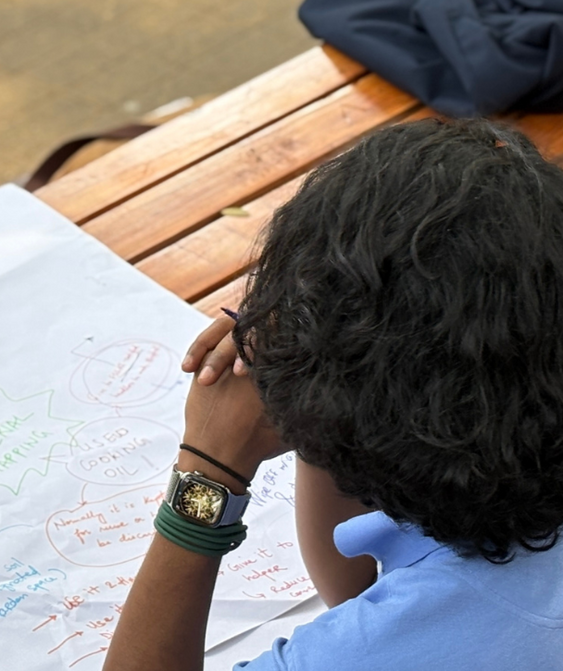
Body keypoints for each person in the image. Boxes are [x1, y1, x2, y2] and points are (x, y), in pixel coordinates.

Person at [102, 118, 563, 670]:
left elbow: (376, 617)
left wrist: (209, 471)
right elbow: (361, 585)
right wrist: (320, 387)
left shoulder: (380, 649)